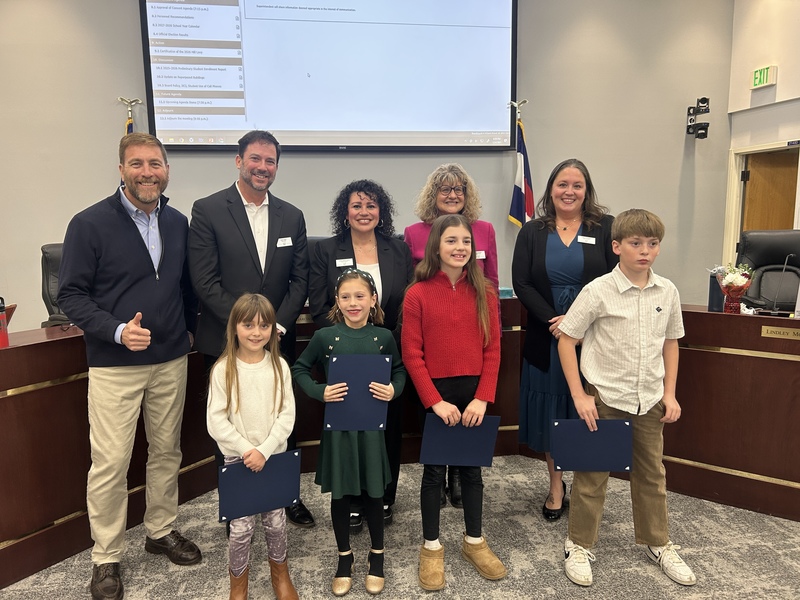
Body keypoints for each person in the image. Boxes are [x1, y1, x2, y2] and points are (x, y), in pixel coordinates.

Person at [58, 133, 201, 600]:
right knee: (112, 462)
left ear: (166, 170)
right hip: (115, 364)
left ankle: (160, 530)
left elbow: (183, 287)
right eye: (137, 164)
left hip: (170, 360)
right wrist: (117, 330)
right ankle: (106, 557)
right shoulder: (89, 223)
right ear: (121, 169)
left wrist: (188, 331)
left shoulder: (178, 222)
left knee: (166, 451)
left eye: (155, 164)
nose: (147, 172)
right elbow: (71, 296)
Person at [557, 209, 697, 588]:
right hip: (605, 397)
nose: (645, 251)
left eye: (652, 244)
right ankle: (580, 544)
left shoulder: (667, 291)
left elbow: (671, 343)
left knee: (652, 473)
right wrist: (580, 395)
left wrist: (669, 392)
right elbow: (567, 339)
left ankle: (658, 542)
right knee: (593, 474)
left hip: (649, 398)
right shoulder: (598, 290)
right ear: (617, 246)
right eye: (636, 243)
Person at [188, 130, 315, 527]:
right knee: (231, 418)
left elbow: (301, 280)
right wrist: (249, 325)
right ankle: (237, 497)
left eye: (270, 161)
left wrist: (275, 325)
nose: (263, 167)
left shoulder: (291, 216)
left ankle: (285, 495)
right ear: (238, 160)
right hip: (226, 340)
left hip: (277, 340)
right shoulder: (207, 210)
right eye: (255, 159)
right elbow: (204, 280)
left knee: (281, 415)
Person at [402, 214, 506, 591]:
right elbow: (412, 354)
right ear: (436, 246)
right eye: (451, 241)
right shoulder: (417, 293)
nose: (460, 247)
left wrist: (482, 397)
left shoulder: (486, 293)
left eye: (465, 241)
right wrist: (434, 402)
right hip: (435, 397)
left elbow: (493, 350)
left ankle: (474, 542)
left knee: (471, 472)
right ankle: (431, 548)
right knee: (433, 474)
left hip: (474, 394)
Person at [511, 158, 617, 521]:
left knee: (590, 411)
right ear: (550, 189)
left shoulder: (605, 228)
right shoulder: (533, 231)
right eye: (562, 184)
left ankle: (587, 488)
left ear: (586, 191)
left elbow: (616, 278)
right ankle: (556, 487)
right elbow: (522, 282)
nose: (569, 191)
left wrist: (579, 322)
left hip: (594, 336)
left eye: (577, 185)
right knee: (554, 412)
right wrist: (554, 320)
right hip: (548, 334)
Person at [293, 269, 406, 596]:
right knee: (341, 495)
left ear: (373, 300)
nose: (353, 303)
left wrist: (393, 390)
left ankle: (377, 558)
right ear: (337, 302)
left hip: (371, 430)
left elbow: (398, 371)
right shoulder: (325, 337)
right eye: (346, 297)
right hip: (339, 429)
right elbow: (299, 368)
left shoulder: (383, 337)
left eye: (360, 296)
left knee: (374, 493)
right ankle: (345, 558)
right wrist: (319, 391)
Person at [308, 179, 413, 530]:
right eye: (357, 205)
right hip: (344, 354)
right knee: (350, 426)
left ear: (380, 211)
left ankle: (383, 497)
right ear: (345, 212)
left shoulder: (397, 249)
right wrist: (346, 339)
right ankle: (351, 499)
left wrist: (386, 340)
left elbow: (406, 303)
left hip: (387, 348)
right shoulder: (325, 250)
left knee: (388, 426)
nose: (364, 212)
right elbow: (321, 304)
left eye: (371, 205)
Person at [404, 163, 499, 508]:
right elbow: (413, 288)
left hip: (474, 334)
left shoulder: (485, 230)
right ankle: (442, 476)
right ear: (433, 194)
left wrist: (491, 327)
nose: (453, 194)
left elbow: (492, 279)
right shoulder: (414, 233)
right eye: (445, 189)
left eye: (459, 188)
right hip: (434, 336)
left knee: (469, 447)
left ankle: (459, 477)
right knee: (437, 445)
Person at [206, 293, 299, 600]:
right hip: (239, 461)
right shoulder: (223, 370)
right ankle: (238, 586)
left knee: (276, 523)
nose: (256, 332)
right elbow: (216, 421)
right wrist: (248, 450)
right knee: (241, 529)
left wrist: (266, 449)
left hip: (273, 458)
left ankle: (280, 576)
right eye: (248, 325)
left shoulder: (280, 366)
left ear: (273, 329)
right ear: (234, 327)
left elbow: (287, 415)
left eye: (264, 325)